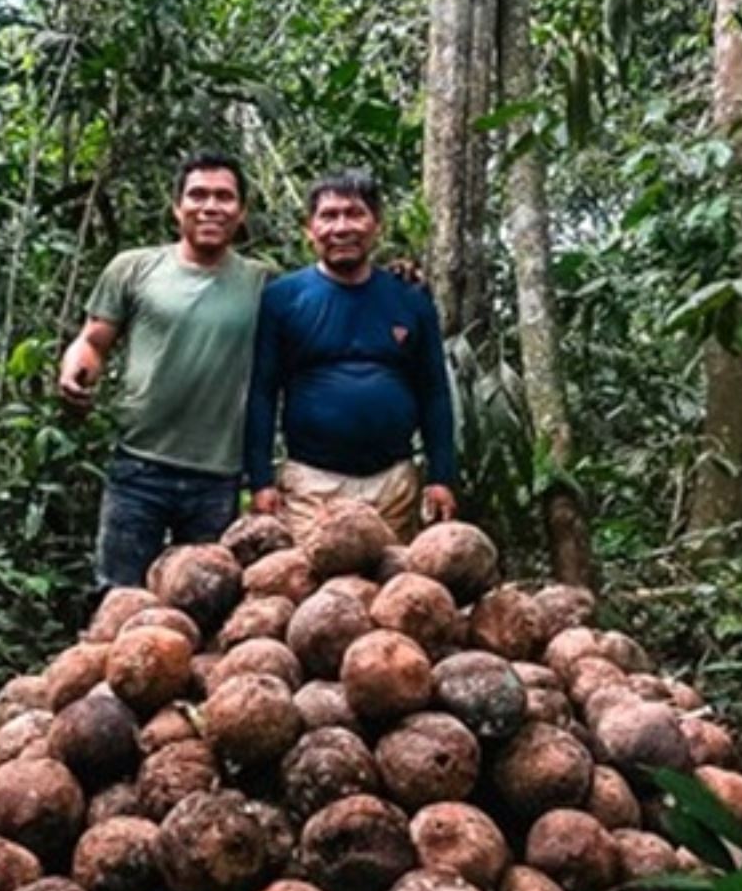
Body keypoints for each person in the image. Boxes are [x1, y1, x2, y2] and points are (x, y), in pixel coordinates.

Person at [58, 153, 271, 590]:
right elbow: (94, 341)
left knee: (207, 608)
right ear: (177, 207)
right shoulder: (133, 269)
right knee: (119, 597)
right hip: (139, 467)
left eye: (224, 197)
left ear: (241, 211)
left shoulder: (264, 283)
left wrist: (399, 278)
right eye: (198, 195)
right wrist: (75, 371)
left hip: (218, 472)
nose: (210, 206)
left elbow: (331, 293)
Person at [243, 169, 458, 542]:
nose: (341, 227)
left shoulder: (410, 298)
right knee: (310, 594)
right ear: (309, 229)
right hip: (312, 485)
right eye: (328, 216)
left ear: (377, 225)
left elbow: (434, 392)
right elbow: (262, 393)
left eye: (354, 213)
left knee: (396, 593)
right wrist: (260, 480)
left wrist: (441, 477)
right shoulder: (282, 298)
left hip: (394, 485)